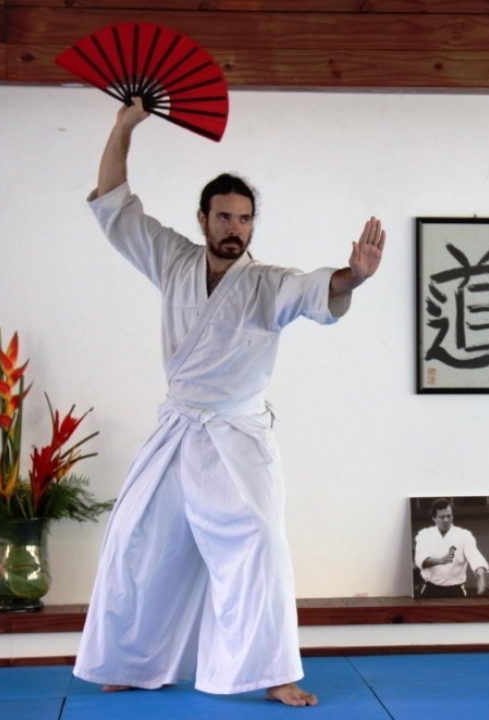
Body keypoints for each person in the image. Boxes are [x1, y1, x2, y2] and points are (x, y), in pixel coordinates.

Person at [72, 98, 385, 708]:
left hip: (237, 437)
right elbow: (115, 200)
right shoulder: (172, 260)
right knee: (136, 541)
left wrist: (356, 275)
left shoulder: (268, 283)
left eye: (244, 218)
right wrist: (123, 127)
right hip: (179, 431)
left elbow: (318, 288)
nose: (234, 227)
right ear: (204, 218)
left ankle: (271, 672)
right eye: (224, 216)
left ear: (252, 224)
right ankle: (136, 662)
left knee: (260, 545)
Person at [412, 499, 489, 597]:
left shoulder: (464, 535)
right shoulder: (424, 535)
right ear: (434, 517)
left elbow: (475, 556)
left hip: (455, 590)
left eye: (449, 516)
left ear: (453, 516)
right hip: (431, 589)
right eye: (442, 517)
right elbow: (420, 560)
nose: (446, 520)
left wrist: (481, 576)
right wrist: (440, 561)